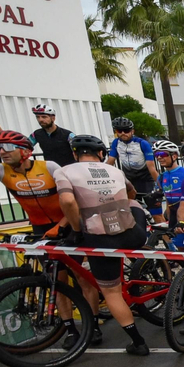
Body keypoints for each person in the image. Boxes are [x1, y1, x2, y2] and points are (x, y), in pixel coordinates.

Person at [52, 134, 149, 355]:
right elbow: (131, 193)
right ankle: (147, 240)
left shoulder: (64, 171)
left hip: (100, 237)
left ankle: (139, 342)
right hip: (132, 234)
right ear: (102, 154)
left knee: (112, 292)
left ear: (75, 154)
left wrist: (77, 230)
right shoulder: (115, 170)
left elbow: (67, 201)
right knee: (132, 203)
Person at [107, 117, 157, 198]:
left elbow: (152, 168)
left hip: (144, 176)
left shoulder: (142, 143)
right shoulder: (116, 143)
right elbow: (110, 162)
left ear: (132, 131)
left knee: (152, 202)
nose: (123, 133)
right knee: (131, 204)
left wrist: (161, 185)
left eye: (126, 130)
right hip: (128, 176)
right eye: (119, 131)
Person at [152, 140, 184, 221]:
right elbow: (167, 197)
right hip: (172, 214)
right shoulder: (161, 176)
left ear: (174, 156)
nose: (159, 157)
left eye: (162, 154)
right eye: (156, 155)